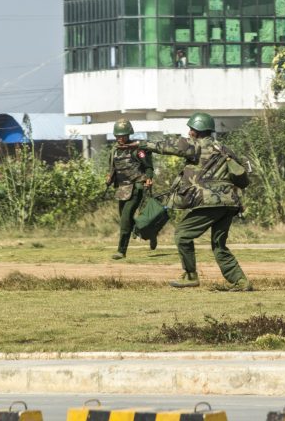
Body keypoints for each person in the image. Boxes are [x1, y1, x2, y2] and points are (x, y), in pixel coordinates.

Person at [134, 112, 252, 291]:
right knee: (219, 245)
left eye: (191, 129)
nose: (189, 132)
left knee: (182, 234)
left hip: (211, 202)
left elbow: (171, 146)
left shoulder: (197, 146)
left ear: (197, 131)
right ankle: (241, 281)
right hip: (231, 203)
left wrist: (143, 144)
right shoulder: (224, 149)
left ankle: (190, 275)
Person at [106, 118, 155, 259]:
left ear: (128, 135)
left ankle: (121, 251)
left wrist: (149, 177)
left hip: (136, 187)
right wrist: (110, 177)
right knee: (125, 219)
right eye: (118, 136)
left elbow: (148, 166)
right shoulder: (114, 150)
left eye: (123, 135)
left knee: (125, 220)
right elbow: (113, 168)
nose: (120, 138)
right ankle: (149, 232)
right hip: (122, 189)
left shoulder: (137, 149)